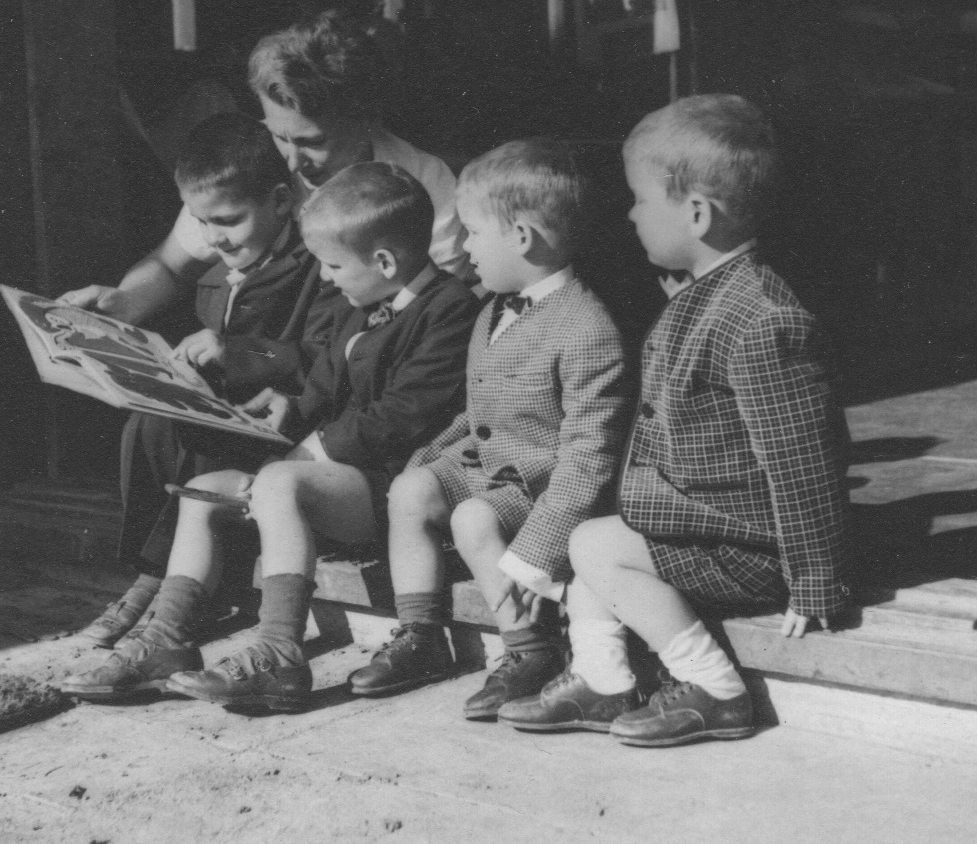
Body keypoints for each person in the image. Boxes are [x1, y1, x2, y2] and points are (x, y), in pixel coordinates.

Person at [497, 95, 852, 746]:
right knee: (590, 537)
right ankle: (603, 678)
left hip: (754, 552)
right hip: (704, 527)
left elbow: (803, 464)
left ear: (696, 214)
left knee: (595, 548)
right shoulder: (708, 289)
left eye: (639, 199)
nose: (630, 213)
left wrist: (815, 580)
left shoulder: (763, 319)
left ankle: (713, 687)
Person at [61, 162, 480, 710]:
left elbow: (401, 417)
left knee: (281, 482)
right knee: (204, 492)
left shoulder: (450, 310)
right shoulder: (362, 305)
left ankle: (279, 654)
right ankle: (167, 639)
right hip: (337, 481)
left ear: (384, 261)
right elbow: (323, 383)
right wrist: (287, 411)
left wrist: (310, 451)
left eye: (333, 265)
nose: (325, 276)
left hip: (392, 491)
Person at [347, 139, 631, 722]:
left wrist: (537, 552)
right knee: (412, 490)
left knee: (473, 518)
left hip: (543, 486)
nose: (464, 247)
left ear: (521, 237)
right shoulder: (492, 311)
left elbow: (588, 457)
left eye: (473, 233)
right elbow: (476, 414)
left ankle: (530, 648)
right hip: (489, 466)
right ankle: (421, 635)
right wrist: (426, 461)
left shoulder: (586, 328)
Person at [79, 112, 337, 647]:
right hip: (230, 413)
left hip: (288, 417)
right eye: (201, 223)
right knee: (148, 425)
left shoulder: (318, 263)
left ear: (281, 201)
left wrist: (236, 352)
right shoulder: (218, 271)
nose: (213, 238)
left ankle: (173, 584)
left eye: (228, 220)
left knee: (201, 436)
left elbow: (323, 355)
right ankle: (152, 574)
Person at [57, 9, 471, 327]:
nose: (291, 161)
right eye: (279, 135)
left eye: (313, 142)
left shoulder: (423, 182)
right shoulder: (249, 158)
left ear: (365, 118)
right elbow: (171, 266)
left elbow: (439, 314)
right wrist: (125, 302)